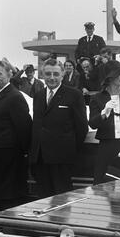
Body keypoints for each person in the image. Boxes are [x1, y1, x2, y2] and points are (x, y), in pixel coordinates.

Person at [30, 59, 88, 198]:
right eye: (48, 74)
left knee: (62, 199)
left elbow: (82, 128)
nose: (51, 78)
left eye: (55, 74)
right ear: (42, 75)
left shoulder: (74, 95)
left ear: (62, 74)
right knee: (42, 199)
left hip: (61, 159)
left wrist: (69, 149)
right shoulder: (38, 95)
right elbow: (38, 124)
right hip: (40, 158)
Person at [0, 60, 32, 212]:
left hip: (9, 161)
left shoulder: (15, 97)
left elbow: (24, 129)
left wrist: (22, 153)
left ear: (9, 75)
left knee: (8, 202)